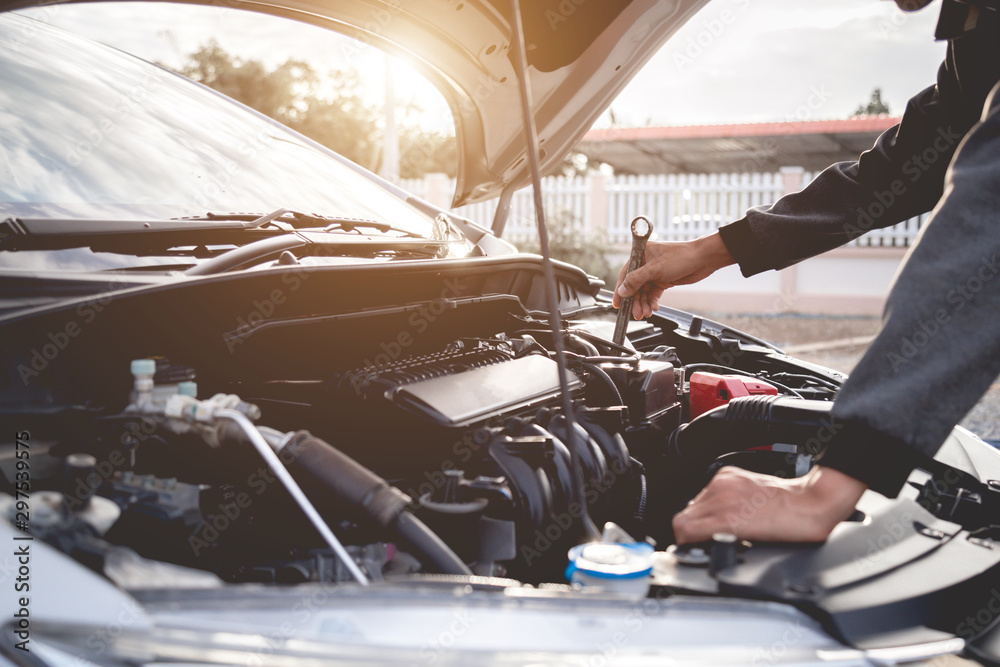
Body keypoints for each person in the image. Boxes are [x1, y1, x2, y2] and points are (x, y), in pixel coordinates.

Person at [613, 0, 1000, 544]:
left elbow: (984, 226)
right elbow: (894, 171)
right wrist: (711, 250)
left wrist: (827, 490)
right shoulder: (978, 33)